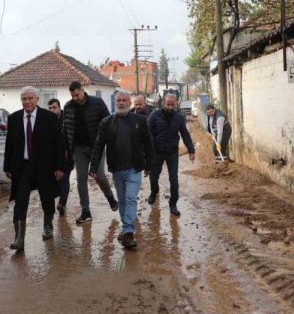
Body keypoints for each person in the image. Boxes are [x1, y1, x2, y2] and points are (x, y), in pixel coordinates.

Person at [4, 86, 65, 251]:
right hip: (22, 167)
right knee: (20, 201)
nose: (27, 102)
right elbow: (9, 145)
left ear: (37, 99)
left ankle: (48, 225)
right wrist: (7, 166)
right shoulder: (14, 118)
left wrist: (60, 167)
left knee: (47, 197)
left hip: (44, 166)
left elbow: (59, 144)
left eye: (30, 98)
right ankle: (19, 238)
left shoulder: (49, 118)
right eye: (24, 99)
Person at [90, 90, 153, 249]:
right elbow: (99, 145)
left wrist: (149, 165)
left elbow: (148, 143)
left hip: (134, 167)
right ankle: (126, 229)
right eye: (119, 101)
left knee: (131, 198)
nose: (122, 103)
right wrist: (94, 166)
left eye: (125, 100)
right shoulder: (106, 122)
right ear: (115, 102)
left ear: (129, 103)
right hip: (117, 168)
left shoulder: (140, 120)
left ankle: (129, 232)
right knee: (123, 200)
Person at [63, 81, 118, 225]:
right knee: (81, 179)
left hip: (96, 147)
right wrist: (67, 148)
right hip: (78, 149)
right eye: (73, 96)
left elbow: (108, 122)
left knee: (99, 175)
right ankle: (85, 211)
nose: (75, 98)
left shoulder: (97, 103)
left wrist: (109, 141)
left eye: (77, 94)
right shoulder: (68, 107)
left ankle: (111, 198)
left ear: (82, 90)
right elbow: (65, 128)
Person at [147, 93, 195, 217]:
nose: (169, 107)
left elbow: (185, 134)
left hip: (172, 152)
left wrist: (191, 150)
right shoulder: (154, 115)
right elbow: (147, 134)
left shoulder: (179, 117)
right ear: (163, 102)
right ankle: (154, 191)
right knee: (153, 176)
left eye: (172, 105)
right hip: (157, 151)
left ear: (176, 104)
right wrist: (146, 152)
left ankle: (173, 204)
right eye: (168, 104)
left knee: (174, 179)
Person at [48, 98, 73, 216]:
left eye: (54, 107)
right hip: (53, 156)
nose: (52, 110)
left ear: (59, 108)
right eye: (50, 108)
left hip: (67, 155)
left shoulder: (66, 120)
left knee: (65, 179)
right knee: (55, 180)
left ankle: (62, 204)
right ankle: (57, 200)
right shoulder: (47, 121)